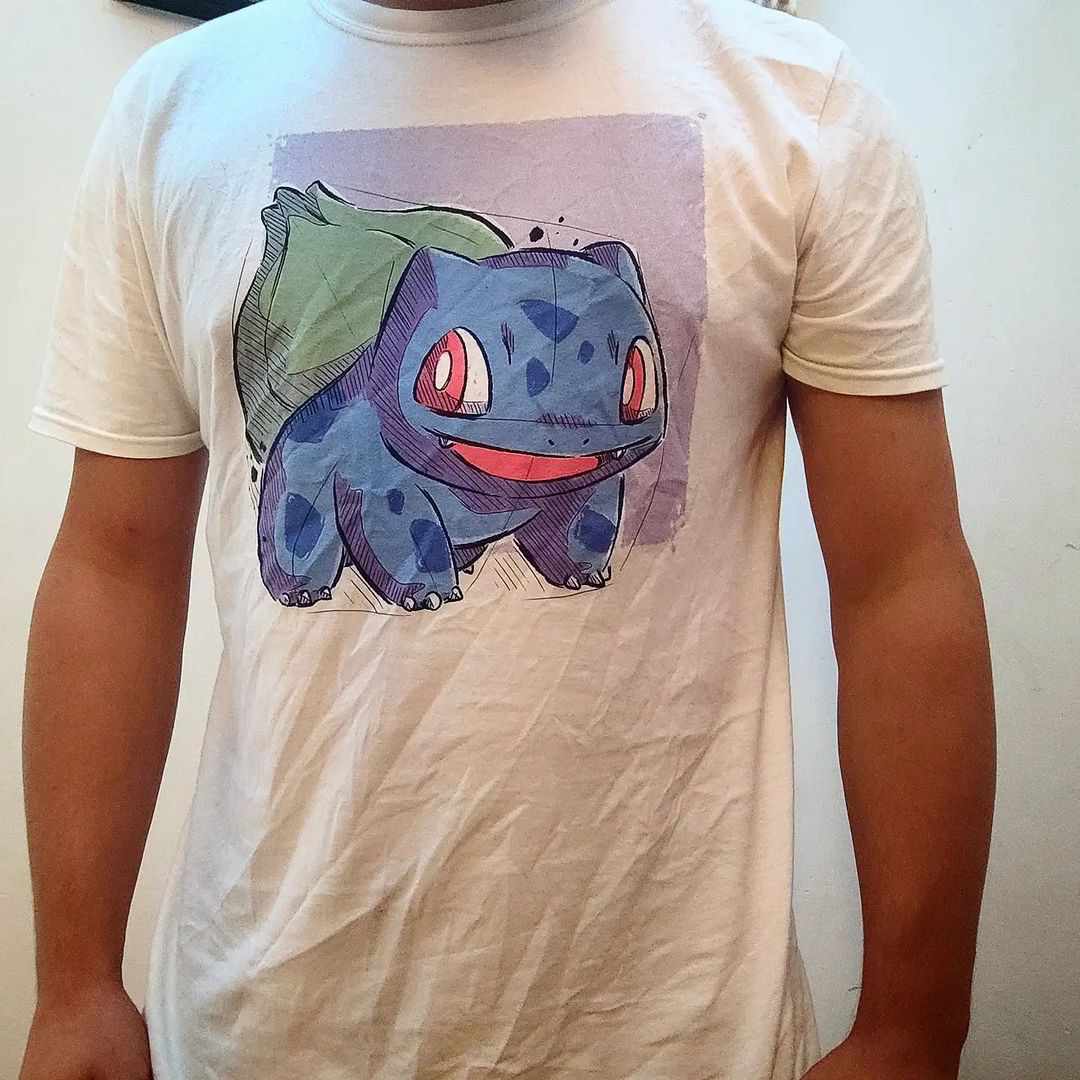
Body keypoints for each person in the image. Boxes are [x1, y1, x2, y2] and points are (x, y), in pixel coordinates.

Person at [19, 0, 996, 1077]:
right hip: (265, 1016)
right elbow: (114, 566)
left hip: (681, 1031)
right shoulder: (174, 109)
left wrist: (914, 1023)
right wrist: (74, 982)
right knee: (337, 514)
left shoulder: (797, 100)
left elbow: (903, 581)